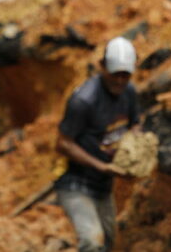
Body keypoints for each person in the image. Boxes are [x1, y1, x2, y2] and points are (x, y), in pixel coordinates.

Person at [55, 37, 141, 252]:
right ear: (102, 67)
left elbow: (135, 126)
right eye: (115, 74)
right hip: (76, 184)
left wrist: (135, 156)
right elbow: (63, 144)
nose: (120, 80)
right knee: (93, 241)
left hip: (103, 186)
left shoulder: (128, 93)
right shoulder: (84, 100)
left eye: (126, 75)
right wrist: (102, 166)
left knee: (111, 242)